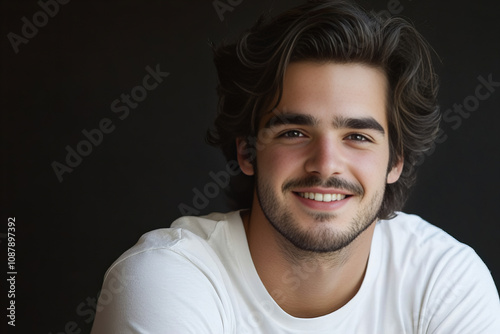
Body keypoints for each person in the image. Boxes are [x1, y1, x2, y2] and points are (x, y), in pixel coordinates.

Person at [91, 1, 500, 333]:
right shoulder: (165, 280)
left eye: (357, 136)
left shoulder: (445, 283)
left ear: (395, 160)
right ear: (248, 153)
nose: (325, 164)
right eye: (293, 132)